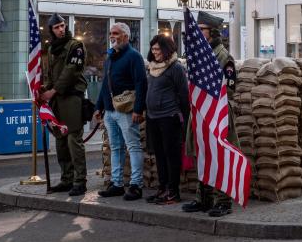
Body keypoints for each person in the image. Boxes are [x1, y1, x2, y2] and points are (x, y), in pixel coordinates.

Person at [182, 11, 239, 217]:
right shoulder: (198, 55)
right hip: (200, 112)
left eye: (202, 29)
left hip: (217, 112)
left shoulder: (224, 57)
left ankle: (223, 201)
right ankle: (204, 198)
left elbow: (230, 88)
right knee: (203, 155)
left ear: (212, 32)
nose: (197, 33)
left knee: (220, 156)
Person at [95, 22, 147, 200]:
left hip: (127, 110)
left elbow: (141, 84)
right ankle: (116, 184)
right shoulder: (110, 57)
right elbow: (105, 84)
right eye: (111, 33)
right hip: (110, 111)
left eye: (116, 33)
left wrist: (138, 109)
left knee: (133, 146)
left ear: (125, 36)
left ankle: (136, 185)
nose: (112, 36)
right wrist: (99, 107)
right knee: (115, 147)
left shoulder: (134, 57)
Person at [40, 13, 88, 196]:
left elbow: (71, 71)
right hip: (57, 100)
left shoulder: (75, 46)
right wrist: (45, 88)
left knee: (73, 139)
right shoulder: (52, 48)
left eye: (62, 26)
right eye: (56, 27)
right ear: (51, 30)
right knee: (60, 140)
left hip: (71, 98)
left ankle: (80, 180)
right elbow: (52, 74)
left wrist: (53, 90)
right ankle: (66, 179)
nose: (61, 29)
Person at [144, 35, 189, 205]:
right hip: (153, 118)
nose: (155, 52)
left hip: (169, 117)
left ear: (166, 49)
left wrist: (183, 118)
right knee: (159, 155)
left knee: (171, 156)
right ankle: (162, 188)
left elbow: (183, 95)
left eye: (158, 49)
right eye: (153, 49)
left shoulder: (175, 68)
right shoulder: (152, 68)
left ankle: (173, 192)